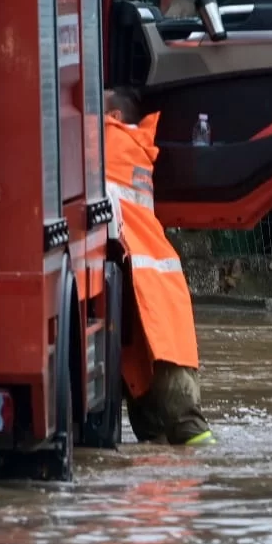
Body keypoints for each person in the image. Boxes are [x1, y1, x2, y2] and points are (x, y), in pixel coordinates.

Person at [103, 87, 216, 446]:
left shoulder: (113, 140)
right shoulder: (132, 145)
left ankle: (196, 480)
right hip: (151, 286)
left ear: (115, 119)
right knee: (158, 425)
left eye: (96, 106)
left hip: (146, 283)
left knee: (181, 423)